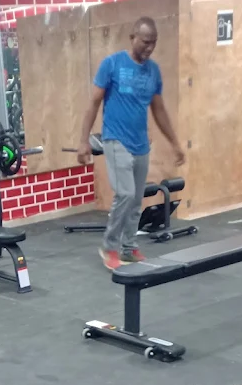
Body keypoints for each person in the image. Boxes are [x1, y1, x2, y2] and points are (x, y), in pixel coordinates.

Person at [78, 17, 186, 269]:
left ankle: (128, 247)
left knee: (137, 199)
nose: (149, 48)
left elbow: (159, 110)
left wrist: (175, 143)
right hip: (116, 139)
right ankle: (109, 246)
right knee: (125, 194)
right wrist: (83, 140)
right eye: (145, 42)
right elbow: (93, 103)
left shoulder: (153, 71)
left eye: (154, 43)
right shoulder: (112, 64)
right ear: (133, 37)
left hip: (141, 145)